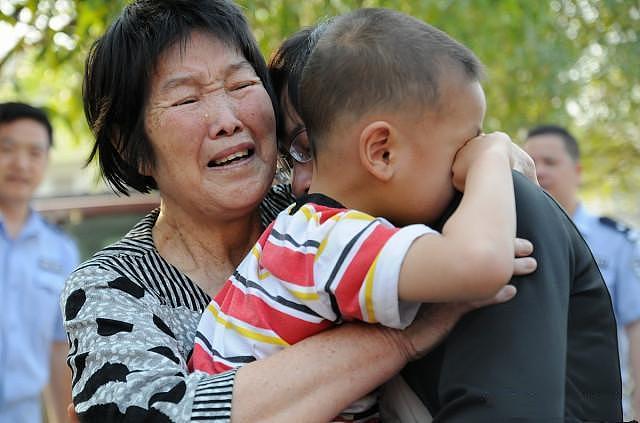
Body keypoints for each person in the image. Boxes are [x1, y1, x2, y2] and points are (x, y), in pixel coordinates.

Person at [61, 1, 529, 422]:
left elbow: (463, 179)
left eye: (242, 83)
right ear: (133, 149)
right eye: (187, 99)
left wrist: (492, 152)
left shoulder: (324, 202)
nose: (229, 119)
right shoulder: (113, 286)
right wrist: (396, 340)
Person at [270, 18, 623, 423]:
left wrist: (491, 158)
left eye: (307, 147)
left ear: (381, 149)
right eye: (290, 155)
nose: (299, 184)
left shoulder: (497, 216)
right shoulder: (338, 245)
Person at [525, 124, 640, 419]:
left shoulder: (617, 242)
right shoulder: (507, 236)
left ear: (577, 171)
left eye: (550, 162)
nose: (540, 172)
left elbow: (636, 328)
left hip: (598, 407)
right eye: (531, 162)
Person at [0, 102, 78, 423]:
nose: (21, 163)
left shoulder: (61, 251)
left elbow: (59, 349)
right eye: (6, 148)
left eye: (35, 153)